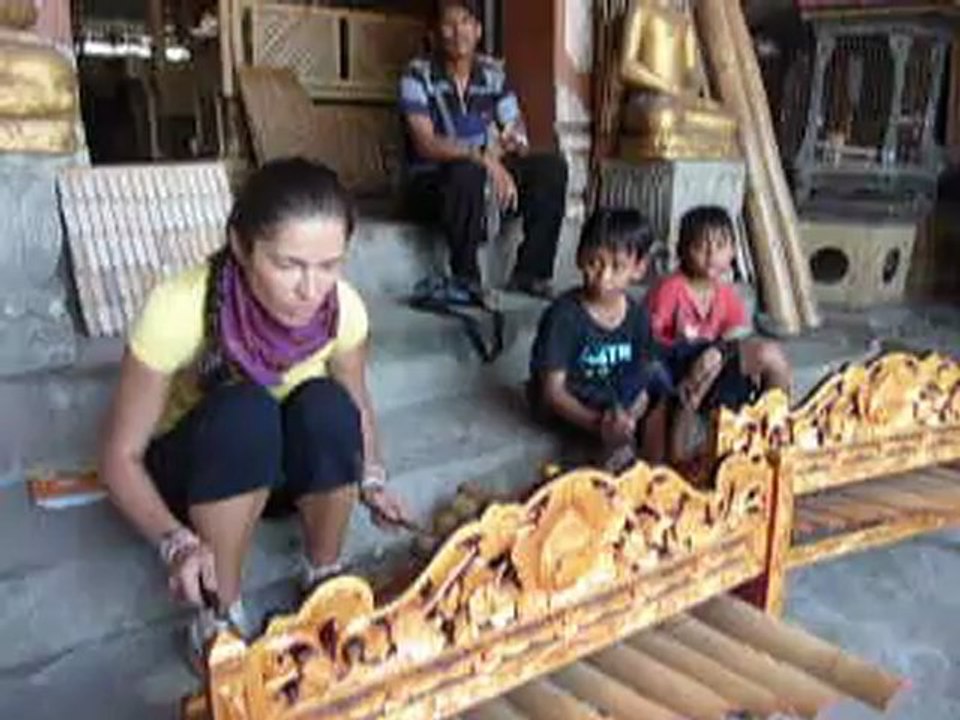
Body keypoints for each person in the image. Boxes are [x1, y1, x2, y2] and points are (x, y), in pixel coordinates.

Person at [98, 158, 410, 660]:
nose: (310, 290)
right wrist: (174, 542)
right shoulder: (178, 307)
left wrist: (371, 479)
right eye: (288, 265)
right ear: (242, 246)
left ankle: (322, 579)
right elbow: (119, 458)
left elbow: (357, 403)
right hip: (201, 471)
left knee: (328, 406)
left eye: (329, 266)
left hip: (276, 469)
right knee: (246, 411)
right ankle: (220, 610)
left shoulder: (342, 310)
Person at [400, 0, 568, 300]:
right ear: (434, 34)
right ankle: (467, 279)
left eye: (465, 22)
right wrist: (481, 157)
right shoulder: (417, 75)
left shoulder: (493, 75)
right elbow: (425, 143)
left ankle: (531, 273)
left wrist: (504, 149)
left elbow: (516, 131)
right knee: (466, 171)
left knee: (550, 168)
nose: (457, 32)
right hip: (430, 184)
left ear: (478, 30)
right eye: (448, 24)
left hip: (485, 179)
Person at [645, 206, 792, 463]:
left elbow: (737, 336)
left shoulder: (725, 294)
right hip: (677, 368)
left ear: (733, 251)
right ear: (683, 250)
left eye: (721, 245)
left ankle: (773, 427)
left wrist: (718, 352)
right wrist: (702, 360)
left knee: (770, 354)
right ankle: (678, 458)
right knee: (703, 368)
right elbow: (651, 343)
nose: (712, 255)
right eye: (702, 247)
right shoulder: (670, 289)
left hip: (715, 363)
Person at [528, 208, 670, 470]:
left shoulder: (638, 317)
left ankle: (656, 473)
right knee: (612, 447)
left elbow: (643, 381)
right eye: (595, 262)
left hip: (615, 402)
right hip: (574, 405)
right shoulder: (564, 316)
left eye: (617, 267)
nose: (604, 277)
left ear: (639, 268)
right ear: (580, 257)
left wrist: (629, 416)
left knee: (661, 390)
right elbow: (552, 392)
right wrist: (598, 423)